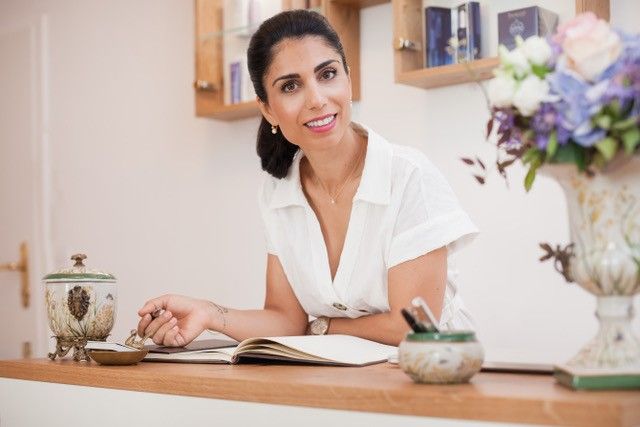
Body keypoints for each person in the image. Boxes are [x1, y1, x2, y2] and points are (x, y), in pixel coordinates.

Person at [136, 9, 478, 347]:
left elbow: (410, 328)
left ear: (348, 76)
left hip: (433, 377)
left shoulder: (408, 176)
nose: (316, 99)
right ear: (268, 109)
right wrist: (210, 314)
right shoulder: (278, 190)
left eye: (327, 74)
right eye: (290, 86)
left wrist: (324, 327)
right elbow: (286, 319)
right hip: (337, 380)